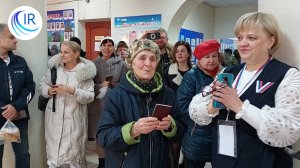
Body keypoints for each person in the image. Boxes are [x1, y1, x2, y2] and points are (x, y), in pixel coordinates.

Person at [189, 12, 300, 168]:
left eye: (251, 38)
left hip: (263, 161)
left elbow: (288, 132)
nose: (242, 43)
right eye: (240, 38)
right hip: (223, 157)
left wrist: (239, 106)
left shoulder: (287, 74)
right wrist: (213, 106)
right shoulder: (227, 72)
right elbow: (194, 109)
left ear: (270, 41)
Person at [97, 39, 181, 168]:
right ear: (131, 62)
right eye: (142, 58)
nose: (148, 63)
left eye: (153, 59)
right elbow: (104, 137)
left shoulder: (168, 94)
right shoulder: (116, 95)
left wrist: (171, 126)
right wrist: (133, 130)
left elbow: (181, 131)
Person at [38, 41, 96, 167]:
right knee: (53, 153)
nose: (62, 55)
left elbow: (90, 96)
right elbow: (42, 84)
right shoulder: (54, 69)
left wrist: (72, 90)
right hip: (53, 117)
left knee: (72, 154)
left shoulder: (83, 72)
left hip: (74, 118)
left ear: (76, 54)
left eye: (66, 52)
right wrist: (48, 90)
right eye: (61, 52)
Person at [177, 39, 222, 168]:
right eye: (206, 57)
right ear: (199, 59)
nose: (211, 60)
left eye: (214, 56)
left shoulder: (225, 75)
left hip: (221, 137)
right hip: (197, 138)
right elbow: (183, 106)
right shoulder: (192, 76)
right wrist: (202, 117)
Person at [87, 38, 128, 168]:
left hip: (116, 101)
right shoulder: (92, 64)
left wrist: (115, 85)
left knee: (115, 130)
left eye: (109, 45)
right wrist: (100, 85)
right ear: (100, 48)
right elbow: (88, 84)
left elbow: (127, 83)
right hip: (98, 103)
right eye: (104, 45)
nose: (106, 48)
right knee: (100, 132)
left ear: (113, 48)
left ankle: (115, 161)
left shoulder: (121, 64)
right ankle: (101, 161)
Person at [0, 23, 35, 168]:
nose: (16, 40)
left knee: (22, 155)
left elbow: (30, 87)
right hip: (1, 117)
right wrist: (4, 110)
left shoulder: (20, 62)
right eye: (11, 37)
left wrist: (16, 107)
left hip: (18, 117)